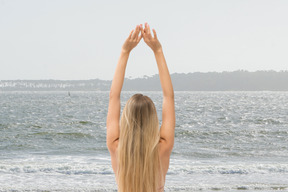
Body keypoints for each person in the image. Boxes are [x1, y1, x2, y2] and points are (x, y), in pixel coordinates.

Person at [106, 23, 175, 192]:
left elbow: (113, 97)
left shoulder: (116, 147)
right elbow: (169, 97)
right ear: (153, 119)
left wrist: (125, 52)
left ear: (126, 119)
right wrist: (158, 51)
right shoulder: (163, 148)